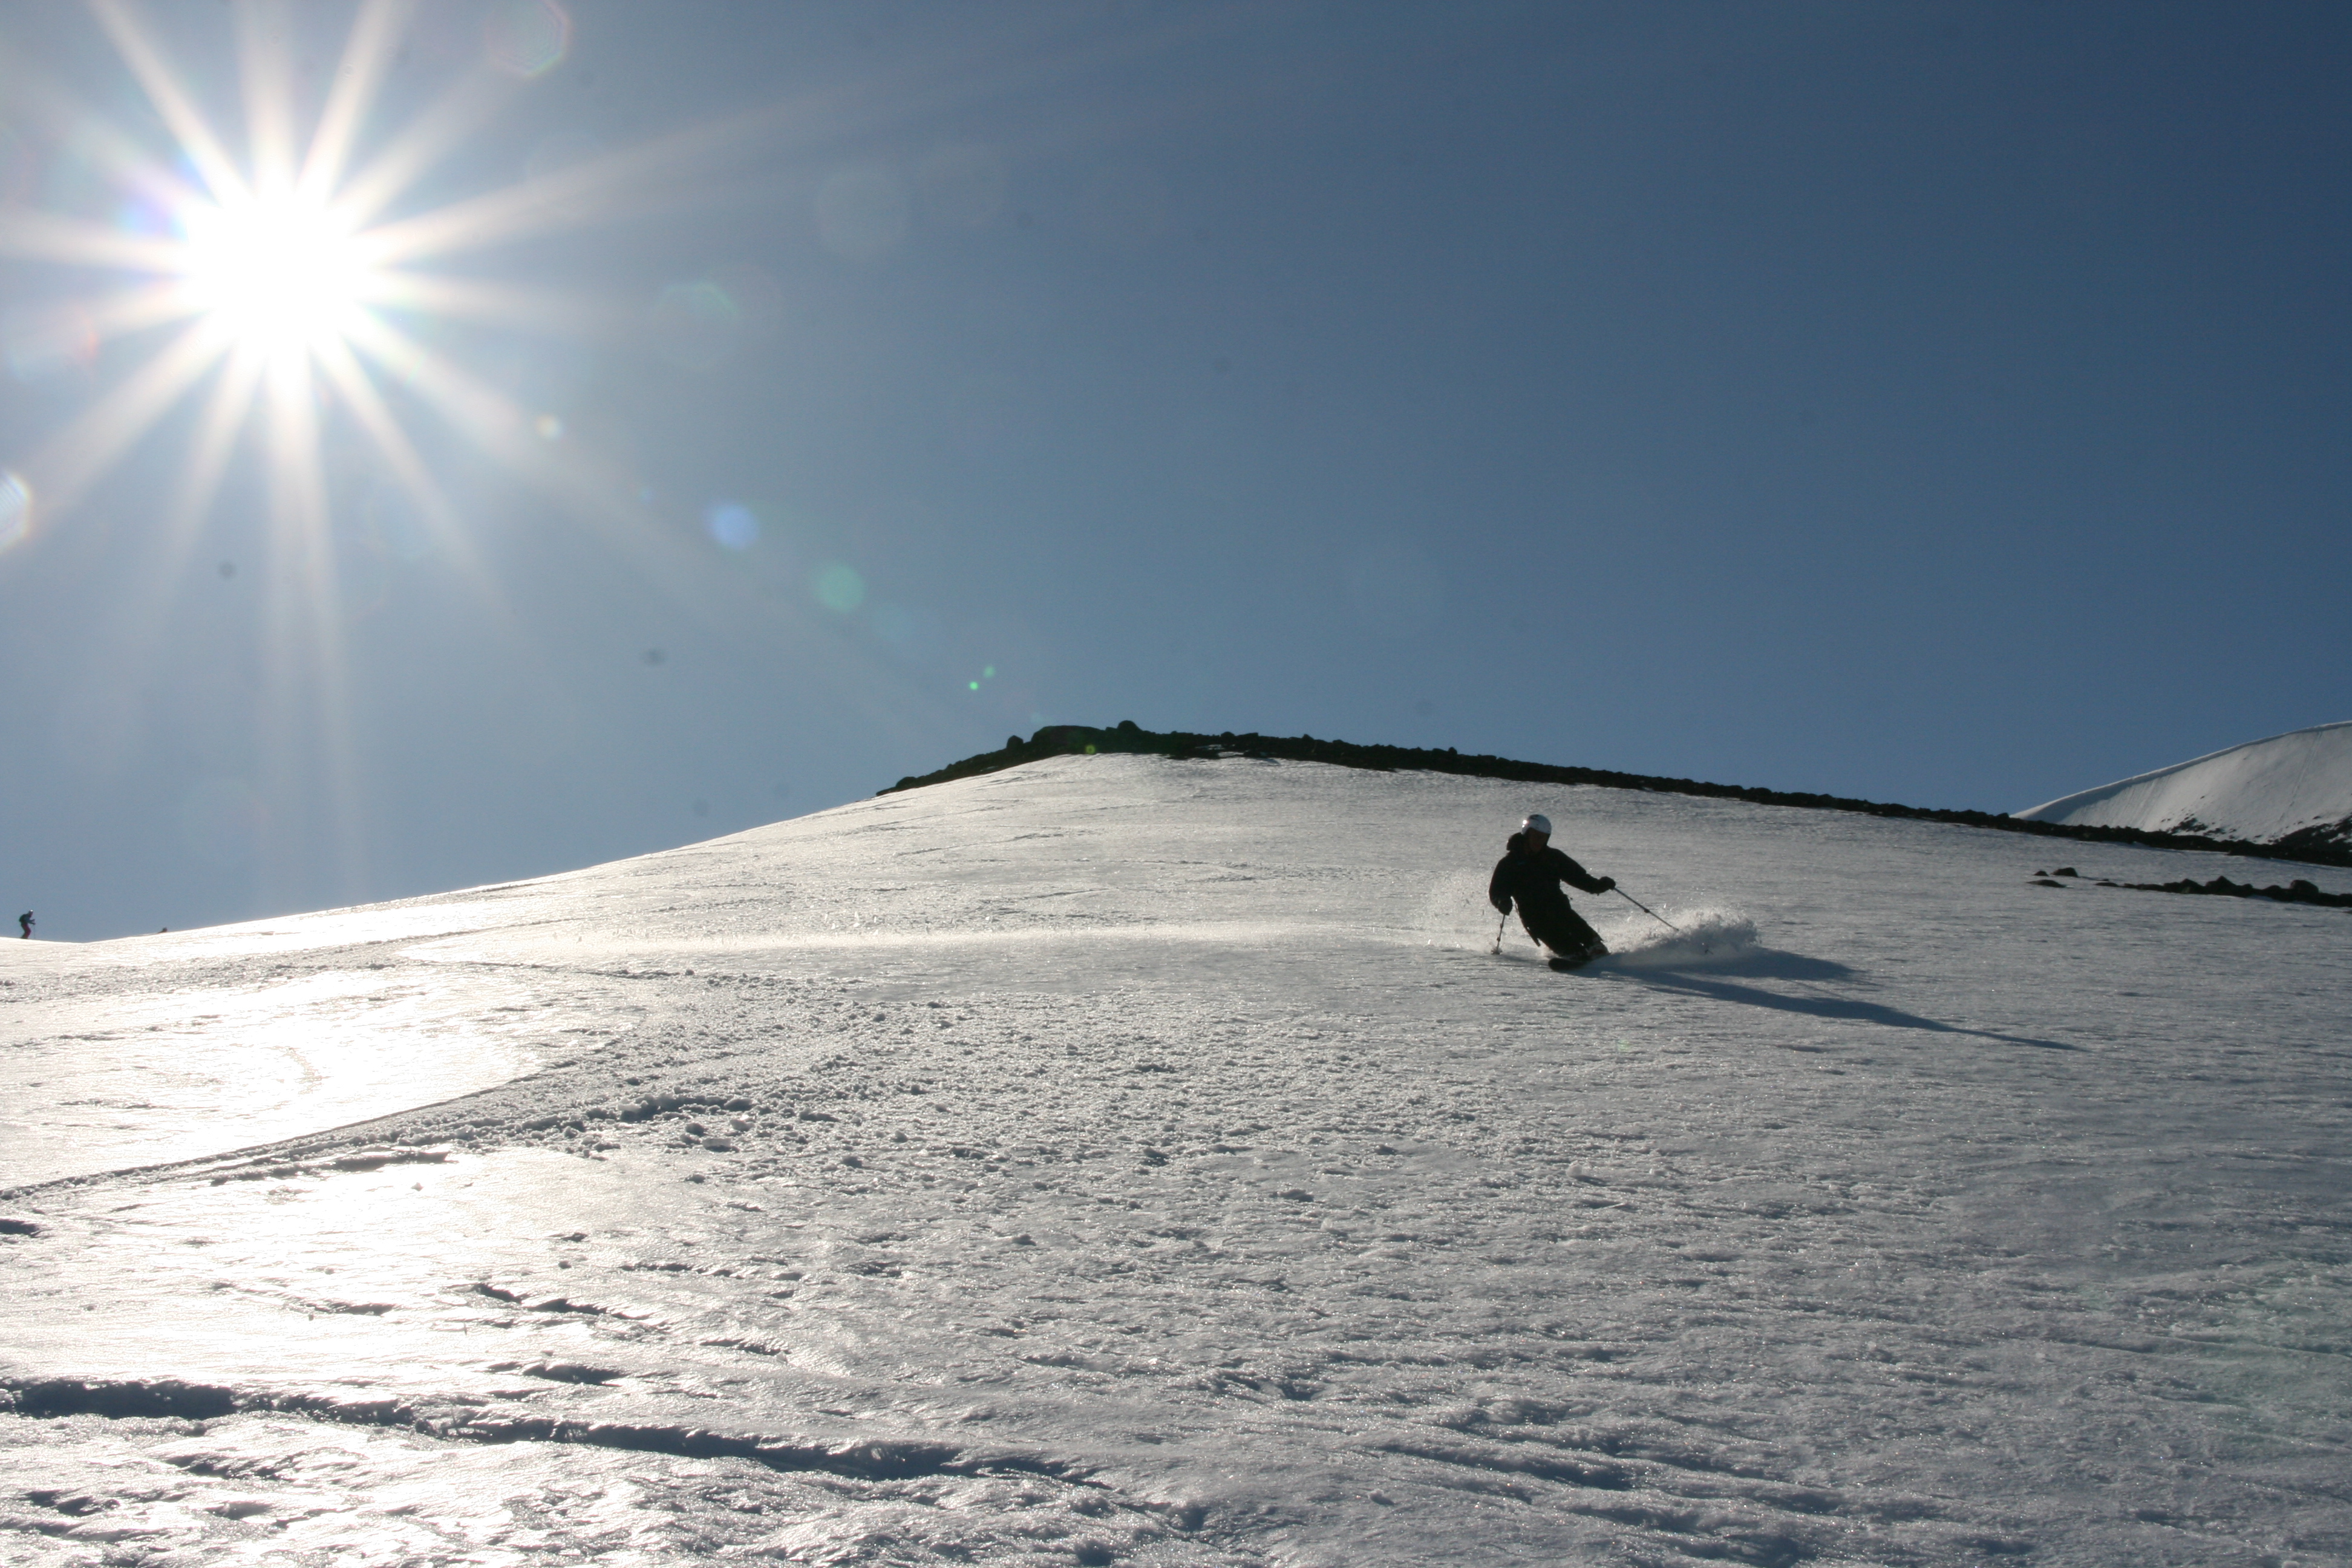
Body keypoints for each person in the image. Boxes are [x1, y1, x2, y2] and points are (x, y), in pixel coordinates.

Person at [1489, 814, 1613, 970]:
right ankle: (1575, 955)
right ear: (1527, 834)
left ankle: (1596, 947)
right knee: (1558, 939)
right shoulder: (1509, 864)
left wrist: (1599, 886)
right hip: (1534, 917)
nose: (1538, 841)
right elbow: (1497, 891)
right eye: (1535, 836)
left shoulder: (1553, 857)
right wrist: (1502, 902)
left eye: (1543, 838)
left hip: (1559, 908)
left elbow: (1579, 878)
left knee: (1574, 924)